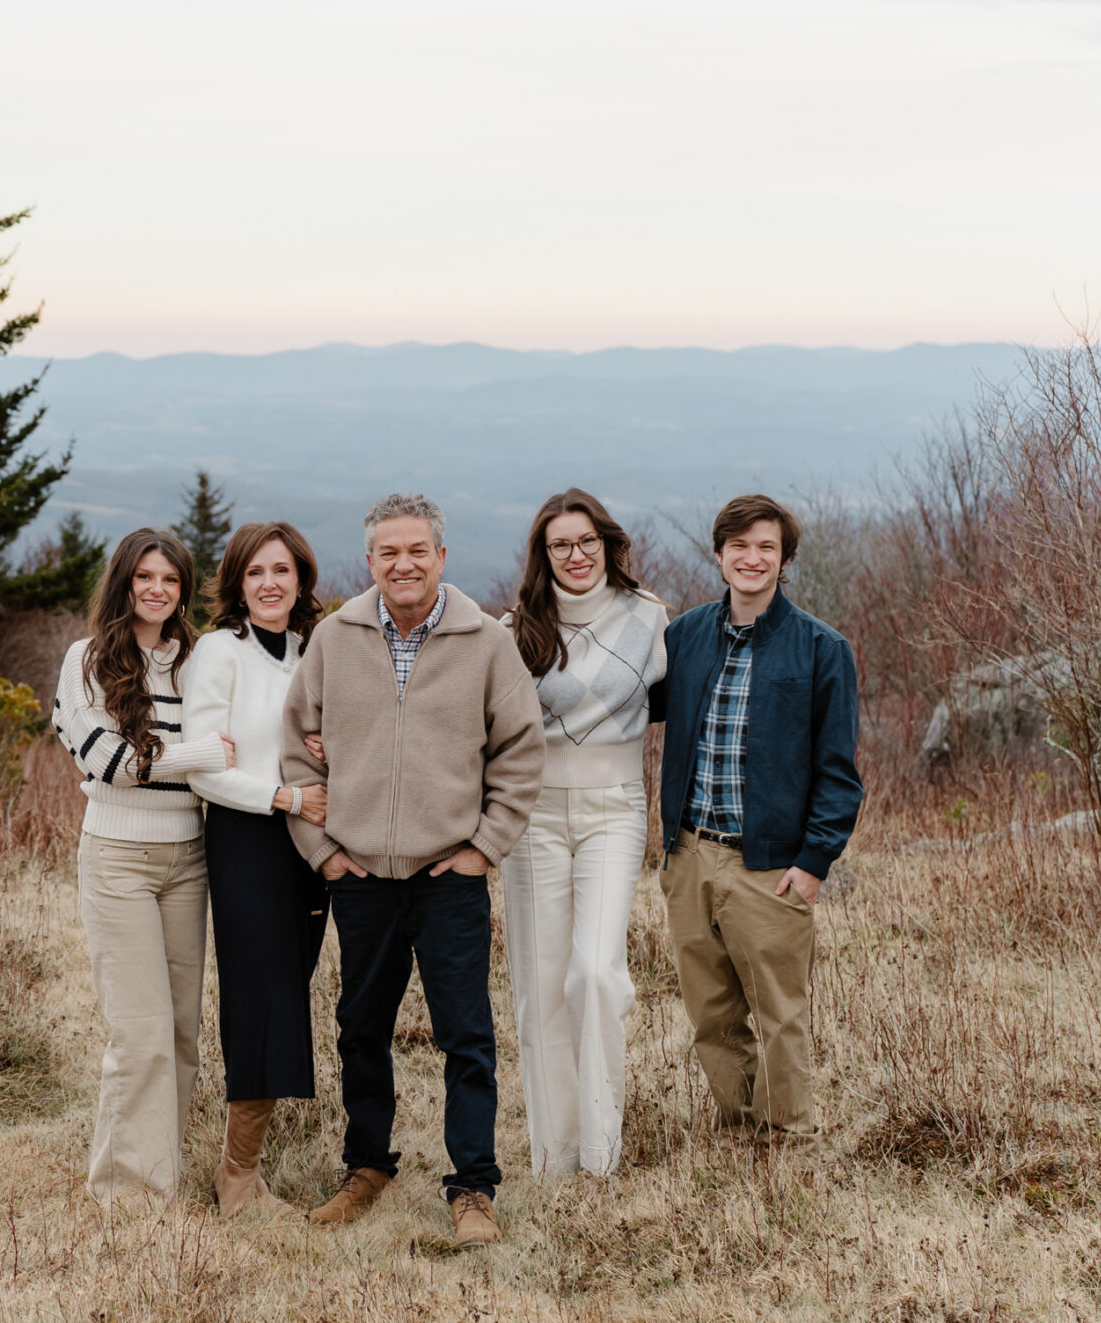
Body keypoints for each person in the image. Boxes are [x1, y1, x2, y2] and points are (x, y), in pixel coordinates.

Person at [282, 494, 544, 1247]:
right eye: (388, 553)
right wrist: (325, 853)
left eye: (417, 551)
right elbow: (297, 746)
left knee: (466, 1035)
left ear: (440, 557)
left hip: (446, 876)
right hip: (359, 874)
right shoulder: (335, 639)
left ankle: (472, 1189)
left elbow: (521, 752)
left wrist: (485, 846)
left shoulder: (485, 643)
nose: (403, 564)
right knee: (360, 1028)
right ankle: (367, 1166)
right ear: (369, 562)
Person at [652, 494, 862, 1142]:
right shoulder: (684, 637)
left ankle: (787, 1134)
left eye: (765, 548)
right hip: (689, 856)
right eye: (739, 546)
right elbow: (618, 700)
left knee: (779, 1012)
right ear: (718, 556)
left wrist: (813, 863)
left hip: (769, 864)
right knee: (712, 1012)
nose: (751, 558)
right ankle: (738, 1124)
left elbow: (838, 771)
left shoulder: (821, 649)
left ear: (785, 560)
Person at [53, 527, 235, 1205]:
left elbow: (246, 733)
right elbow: (110, 764)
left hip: (190, 857)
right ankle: (125, 1197)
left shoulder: (197, 661)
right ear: (124, 581)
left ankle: (161, 1175)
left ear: (184, 589)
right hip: (118, 860)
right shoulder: (86, 660)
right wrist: (205, 753)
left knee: (183, 1034)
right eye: (145, 577)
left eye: (171, 580)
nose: (157, 590)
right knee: (142, 1035)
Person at [498, 489, 669, 1180]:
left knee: (595, 974)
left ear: (608, 543)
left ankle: (600, 1154)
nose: (575, 555)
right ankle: (554, 1158)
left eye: (585, 541)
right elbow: (494, 727)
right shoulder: (517, 629)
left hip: (613, 808)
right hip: (533, 814)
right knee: (540, 988)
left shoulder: (649, 619)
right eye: (559, 544)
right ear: (543, 554)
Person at [183, 522, 332, 1219]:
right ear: (237, 584)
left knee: (287, 994)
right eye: (255, 572)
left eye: (282, 570)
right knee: (261, 1000)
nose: (270, 583)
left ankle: (244, 1167)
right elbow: (207, 766)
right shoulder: (219, 652)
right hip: (248, 835)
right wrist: (282, 793)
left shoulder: (314, 649)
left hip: (309, 842)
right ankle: (237, 1181)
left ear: (301, 578)